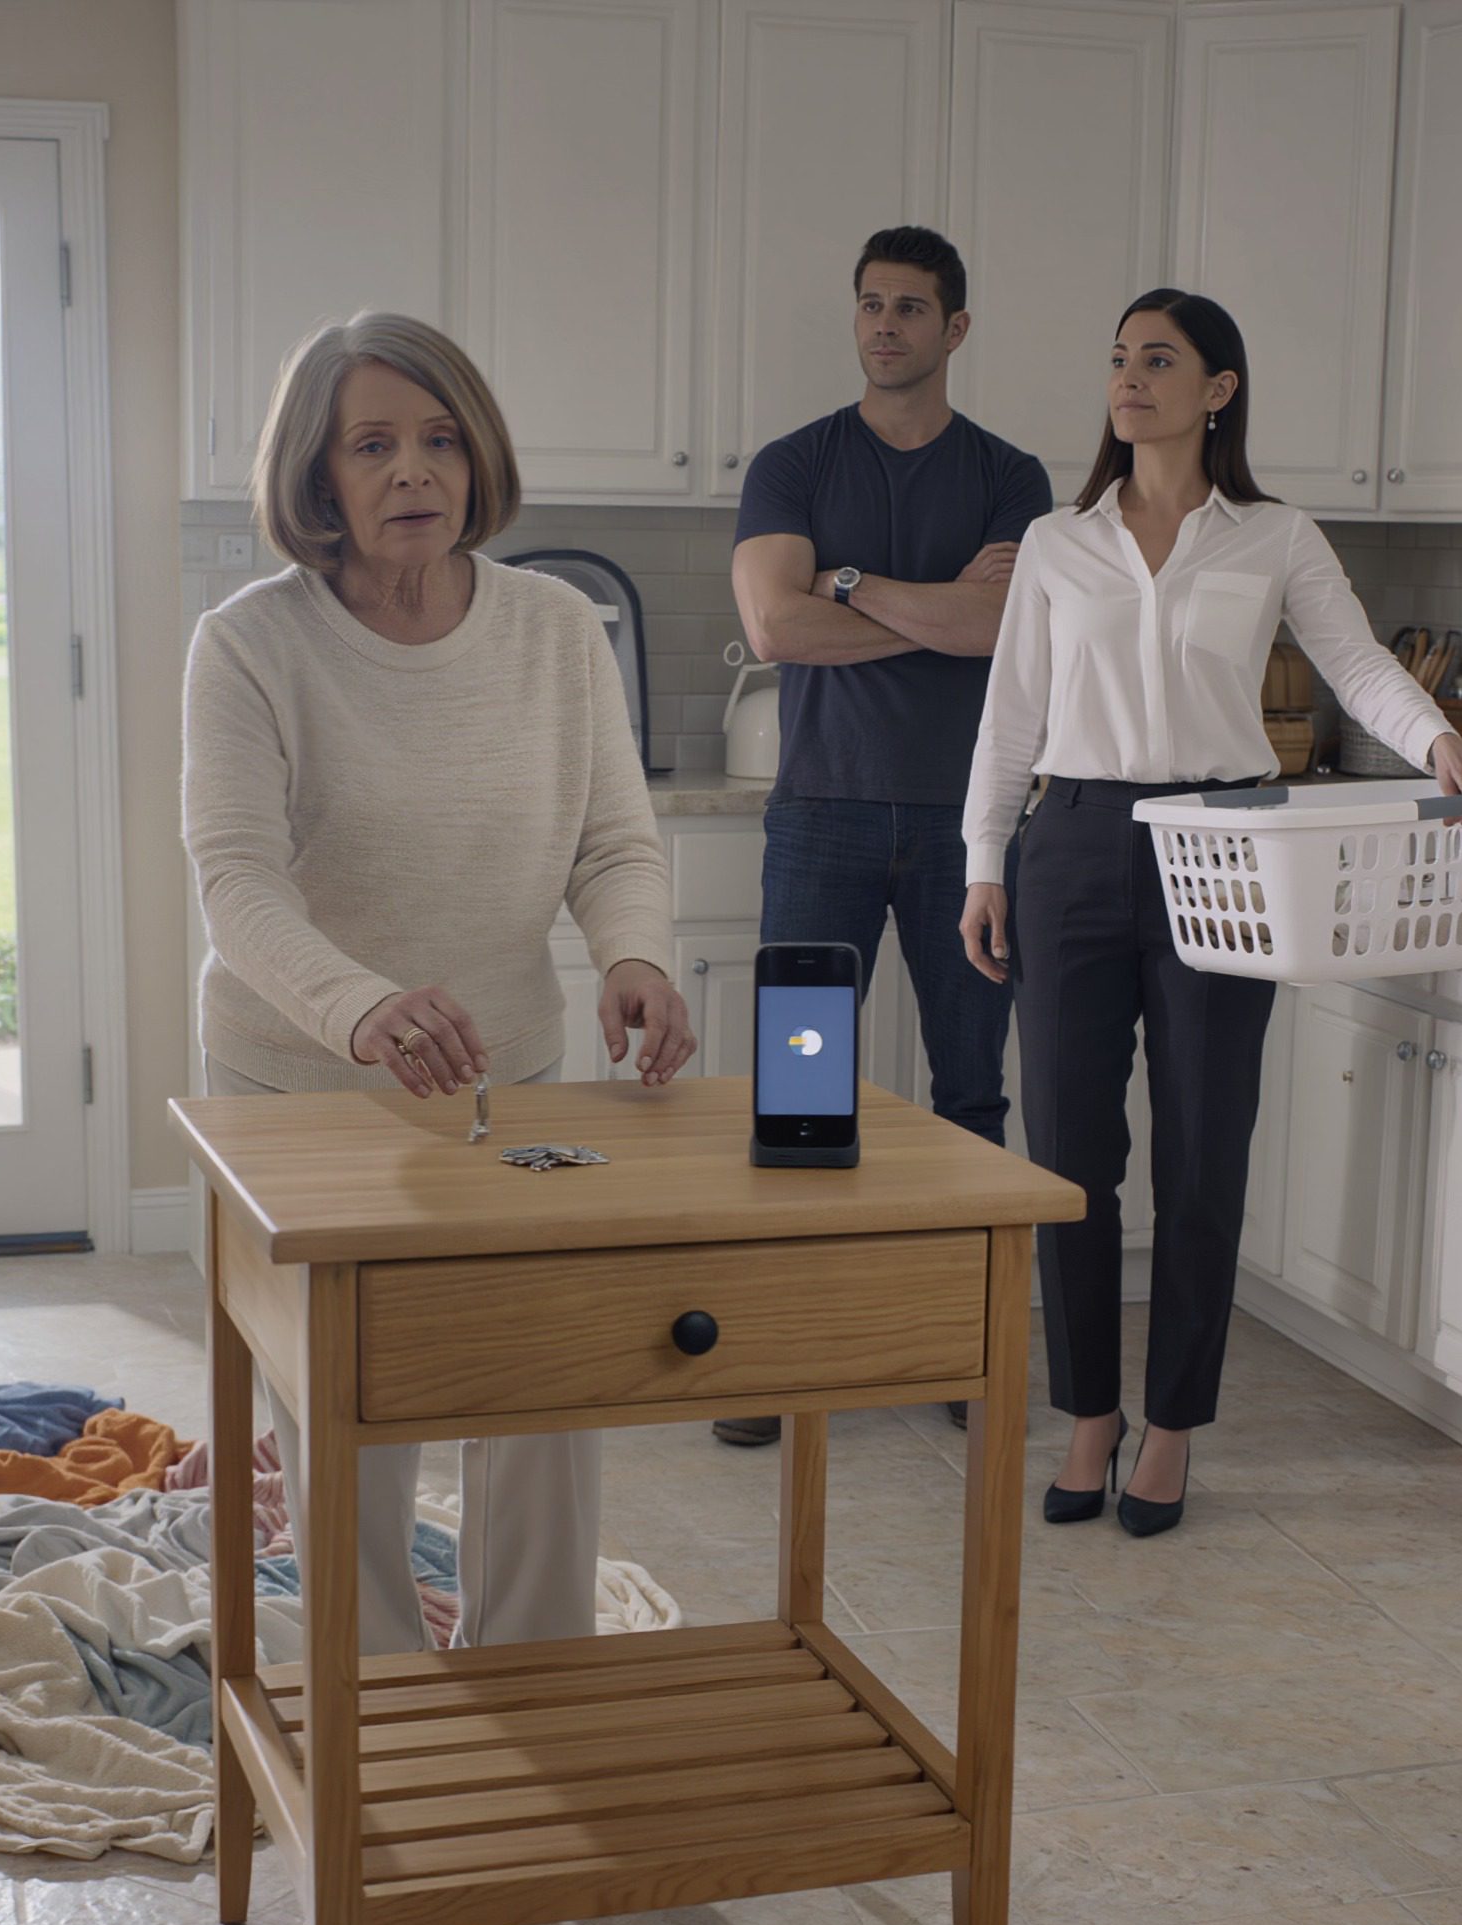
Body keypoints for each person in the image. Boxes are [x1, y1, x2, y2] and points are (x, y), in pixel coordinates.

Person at [182, 310, 697, 1654]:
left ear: (478, 460)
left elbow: (613, 839)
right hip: (296, 1088)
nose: (413, 470)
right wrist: (364, 1006)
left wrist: (635, 954)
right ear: (318, 473)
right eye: (371, 445)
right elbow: (236, 882)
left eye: (439, 440)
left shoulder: (556, 631)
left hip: (504, 1083)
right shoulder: (248, 645)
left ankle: (532, 1673)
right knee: (348, 1403)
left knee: (544, 1378)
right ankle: (378, 1697)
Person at [960, 287, 1462, 1536]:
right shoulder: (1055, 541)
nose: (1127, 379)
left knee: (1202, 1147)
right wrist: (982, 860)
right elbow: (1011, 710)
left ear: (1216, 390)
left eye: (1157, 359)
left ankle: (1171, 1427)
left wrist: (1433, 738)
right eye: (1117, 359)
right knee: (1066, 1153)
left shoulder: (1273, 534)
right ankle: (1089, 1411)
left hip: (1223, 851)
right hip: (1071, 845)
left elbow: (1351, 659)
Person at [715, 224, 1053, 1448]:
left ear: (952, 328)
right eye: (869, 303)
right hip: (822, 818)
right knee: (798, 1092)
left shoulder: (1010, 477)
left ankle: (959, 1344)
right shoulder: (793, 464)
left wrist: (848, 585)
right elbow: (774, 629)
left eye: (909, 307)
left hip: (973, 832)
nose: (883, 325)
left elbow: (1006, 629)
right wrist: (940, 610)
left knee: (971, 1096)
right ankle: (773, 1354)